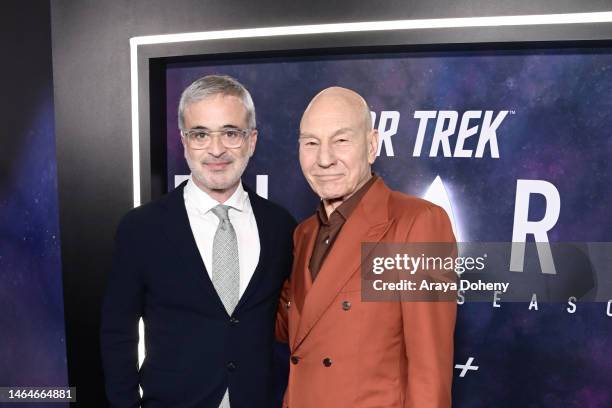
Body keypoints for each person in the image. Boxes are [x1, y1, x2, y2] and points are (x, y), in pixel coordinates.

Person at [101, 75, 295, 407]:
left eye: (231, 133)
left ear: (252, 140)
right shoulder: (141, 228)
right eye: (201, 134)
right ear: (184, 142)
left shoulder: (281, 226)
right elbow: (118, 332)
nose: (216, 149)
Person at [276, 86, 457, 407]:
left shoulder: (417, 223)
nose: (324, 158)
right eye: (311, 143)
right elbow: (293, 327)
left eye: (341, 140)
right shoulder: (302, 233)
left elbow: (429, 370)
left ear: (372, 145)